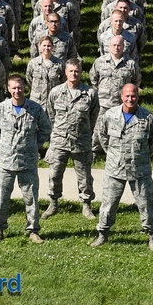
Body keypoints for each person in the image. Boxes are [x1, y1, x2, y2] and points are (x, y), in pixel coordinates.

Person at [91, 83, 153, 251]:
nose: (130, 99)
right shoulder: (110, 116)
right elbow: (102, 135)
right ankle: (103, 234)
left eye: (134, 96)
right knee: (108, 204)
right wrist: (113, 154)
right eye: (127, 96)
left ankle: (152, 235)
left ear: (138, 97)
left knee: (146, 205)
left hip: (140, 170)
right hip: (115, 169)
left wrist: (142, 154)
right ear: (121, 96)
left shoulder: (147, 118)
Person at [0, 75, 52, 243]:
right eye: (14, 88)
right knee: (2, 198)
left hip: (27, 161)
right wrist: (1, 145)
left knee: (31, 198)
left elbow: (45, 128)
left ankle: (33, 230)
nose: (17, 91)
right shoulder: (1, 108)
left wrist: (34, 144)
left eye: (20, 87)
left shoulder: (35, 108)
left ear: (25, 88)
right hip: (6, 161)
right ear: (8, 89)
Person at [43, 59, 99, 221]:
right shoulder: (56, 92)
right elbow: (51, 115)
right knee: (54, 173)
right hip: (60, 140)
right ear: (65, 73)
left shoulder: (89, 93)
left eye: (76, 71)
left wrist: (85, 132)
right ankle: (53, 203)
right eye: (71, 71)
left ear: (81, 73)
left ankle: (86, 205)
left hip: (81, 142)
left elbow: (93, 117)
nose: (74, 74)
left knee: (85, 176)